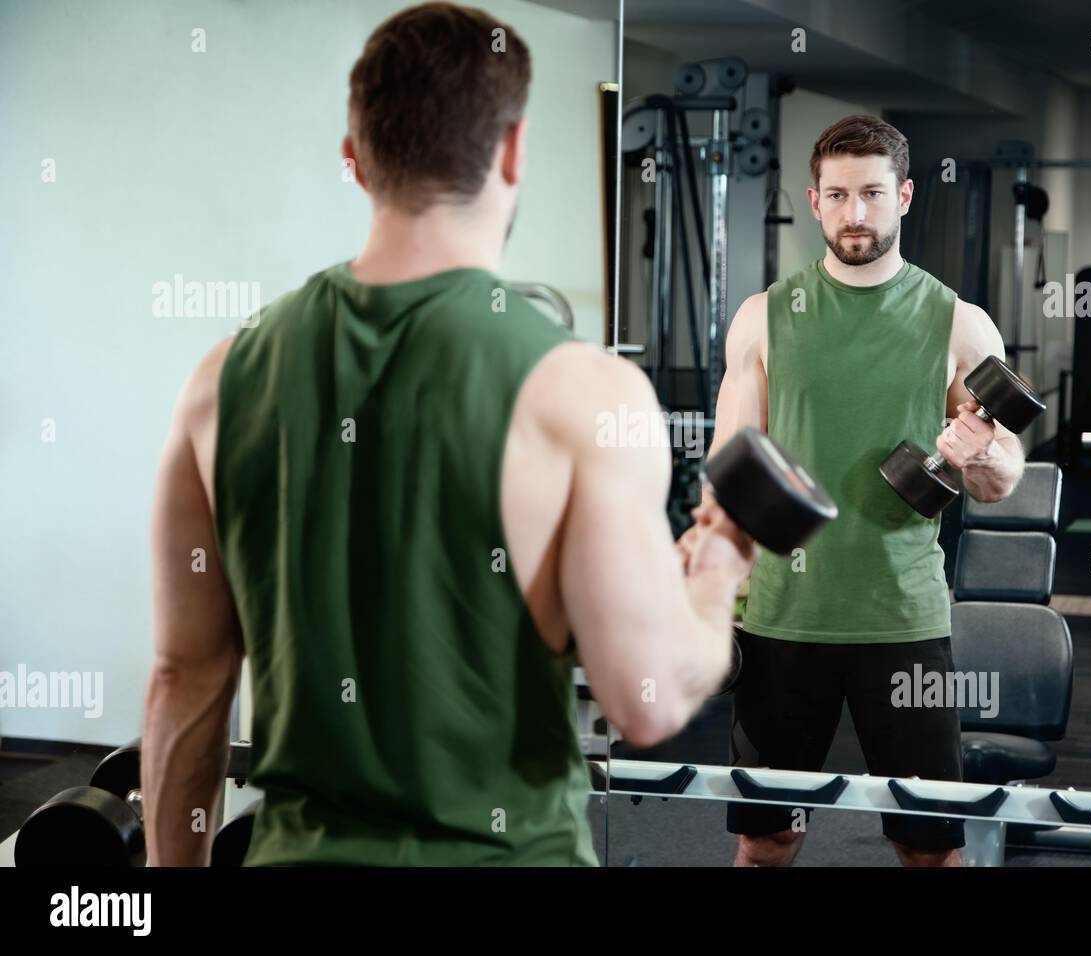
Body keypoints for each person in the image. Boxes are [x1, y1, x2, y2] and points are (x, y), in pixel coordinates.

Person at [142, 1, 754, 867]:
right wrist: (720, 570)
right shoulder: (585, 392)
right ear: (513, 150)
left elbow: (185, 680)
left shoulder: (218, 379)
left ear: (355, 160)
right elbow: (644, 701)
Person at [679, 114, 1026, 867]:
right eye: (837, 196)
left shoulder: (959, 326)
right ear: (814, 201)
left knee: (930, 849)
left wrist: (980, 453)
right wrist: (705, 593)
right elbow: (729, 475)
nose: (855, 213)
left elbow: (1003, 480)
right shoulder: (763, 319)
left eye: (872, 193)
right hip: (782, 621)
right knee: (767, 840)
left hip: (902, 621)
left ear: (903, 196)